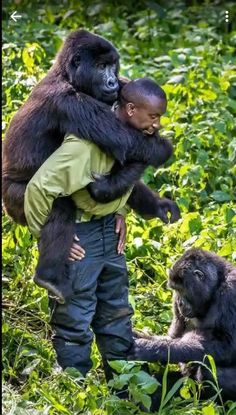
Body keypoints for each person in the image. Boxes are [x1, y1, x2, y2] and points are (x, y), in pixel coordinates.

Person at [24, 78, 168, 377]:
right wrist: (50, 239)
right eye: (153, 117)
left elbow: (119, 179)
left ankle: (123, 382)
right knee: (74, 316)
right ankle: (74, 383)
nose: (157, 125)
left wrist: (121, 211)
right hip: (80, 235)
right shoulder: (83, 147)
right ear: (130, 109)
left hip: (108, 233)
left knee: (116, 311)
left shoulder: (127, 134)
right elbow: (39, 188)